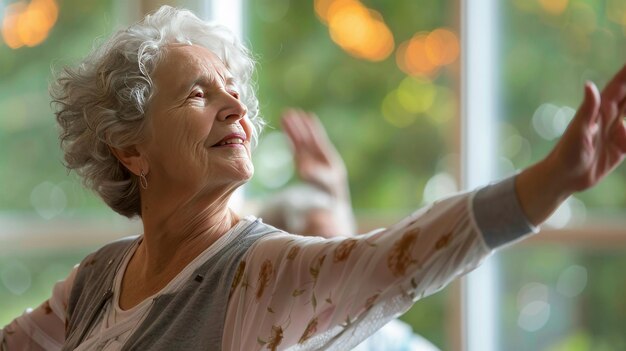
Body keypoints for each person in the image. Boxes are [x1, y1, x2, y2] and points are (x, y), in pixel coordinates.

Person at [1, 5, 625, 350]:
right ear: (131, 151)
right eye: (198, 92)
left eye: (234, 91)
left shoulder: (262, 274)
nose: (236, 106)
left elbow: (400, 259)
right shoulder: (95, 281)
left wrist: (551, 183)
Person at [259, 109, 441, 351]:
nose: (345, 273)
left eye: (348, 251)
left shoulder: (385, 338)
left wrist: (337, 198)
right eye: (324, 263)